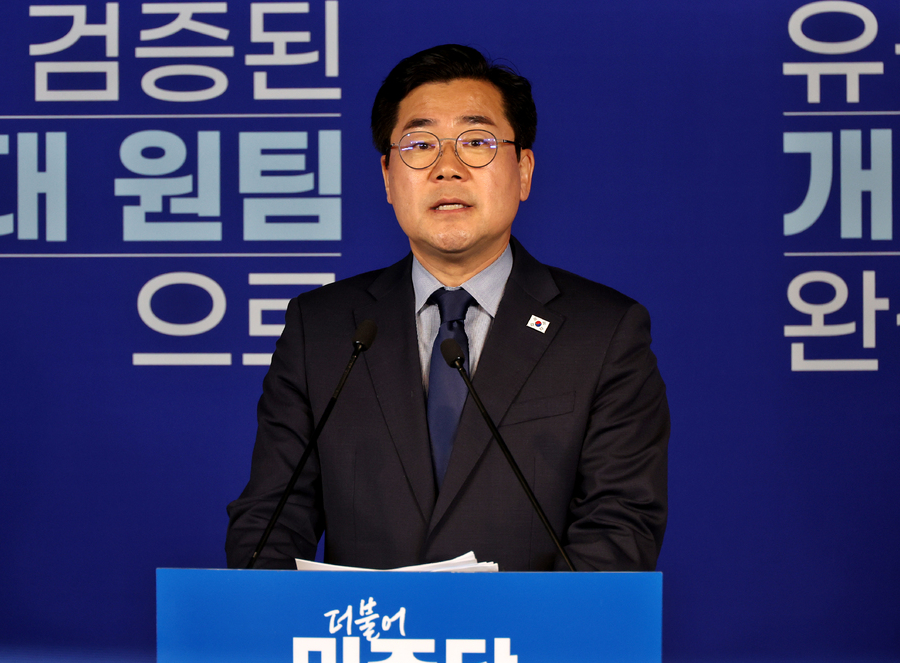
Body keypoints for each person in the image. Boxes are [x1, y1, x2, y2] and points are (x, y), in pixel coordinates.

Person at [226, 44, 668, 571]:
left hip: (527, 628)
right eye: (420, 145)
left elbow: (619, 524)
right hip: (366, 625)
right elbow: (271, 520)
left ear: (524, 171)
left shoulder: (603, 332)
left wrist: (523, 622)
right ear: (387, 177)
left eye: (476, 142)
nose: (447, 169)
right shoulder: (320, 328)